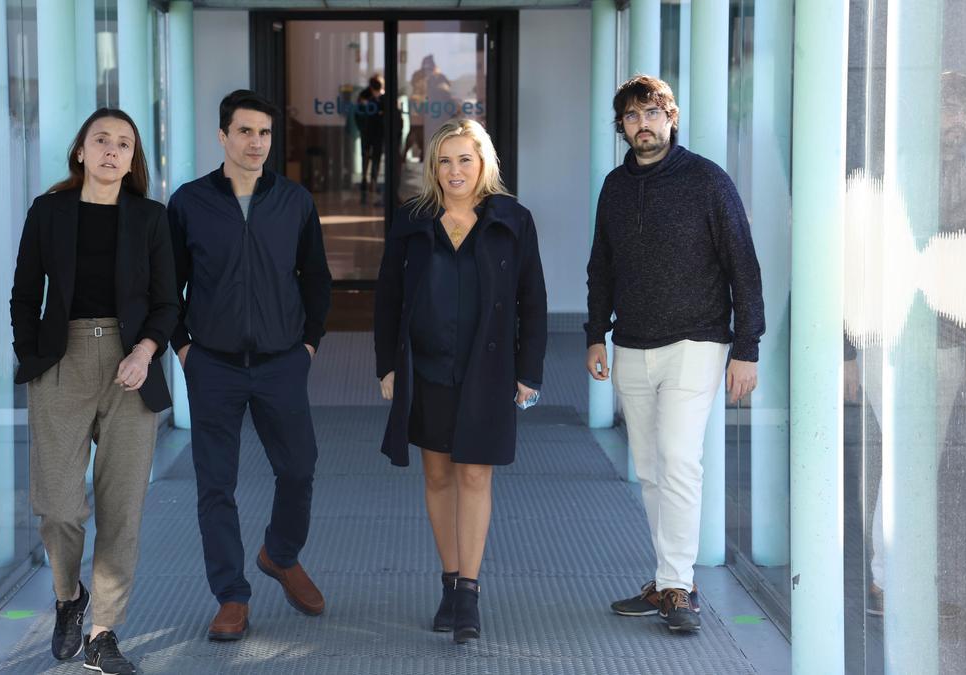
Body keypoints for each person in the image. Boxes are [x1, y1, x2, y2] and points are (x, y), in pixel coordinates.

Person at [585, 75, 764, 633]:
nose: (644, 124)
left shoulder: (709, 181)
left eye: (653, 113)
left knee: (681, 461)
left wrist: (746, 348)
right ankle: (667, 581)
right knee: (652, 469)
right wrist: (595, 333)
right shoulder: (615, 187)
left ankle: (681, 589)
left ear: (672, 117)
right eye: (633, 116)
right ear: (622, 127)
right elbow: (601, 268)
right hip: (632, 343)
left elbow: (744, 267)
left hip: (698, 340)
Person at [10, 108, 179, 674]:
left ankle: (103, 632)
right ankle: (68, 598)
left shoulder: (151, 218)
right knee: (58, 506)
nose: (111, 150)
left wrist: (146, 350)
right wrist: (34, 360)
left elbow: (167, 301)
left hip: (131, 364)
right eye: (100, 140)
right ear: (80, 151)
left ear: (133, 159)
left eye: (123, 144)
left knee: (121, 509)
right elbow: (23, 293)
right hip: (62, 361)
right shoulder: (49, 212)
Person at [374, 118, 547, 644]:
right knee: (437, 476)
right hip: (425, 367)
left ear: (483, 164)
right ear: (432, 167)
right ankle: (448, 582)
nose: (454, 171)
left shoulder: (513, 219)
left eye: (464, 160)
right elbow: (388, 297)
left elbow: (532, 299)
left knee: (475, 476)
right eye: (445, 161)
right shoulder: (411, 220)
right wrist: (387, 365)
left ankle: (468, 591)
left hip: (487, 369)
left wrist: (529, 371)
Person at [168, 89, 333, 642]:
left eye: (264, 133)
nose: (256, 142)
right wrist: (182, 346)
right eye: (244, 131)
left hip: (281, 361)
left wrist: (308, 344)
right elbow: (167, 284)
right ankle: (232, 597)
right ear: (222, 136)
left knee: (300, 468)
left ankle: (279, 554)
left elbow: (316, 277)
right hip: (211, 363)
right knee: (216, 484)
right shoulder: (190, 202)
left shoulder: (294, 200)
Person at [355, 74, 386, 205]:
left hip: (378, 132)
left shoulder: (383, 97)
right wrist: (362, 128)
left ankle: (373, 180)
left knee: (376, 156)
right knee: (366, 155)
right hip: (367, 131)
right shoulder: (364, 95)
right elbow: (358, 113)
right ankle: (364, 179)